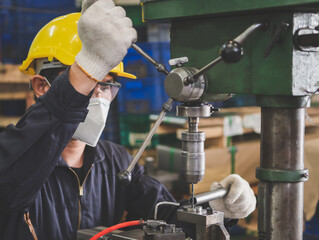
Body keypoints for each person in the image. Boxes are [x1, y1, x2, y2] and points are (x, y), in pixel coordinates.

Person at [0, 1, 256, 240]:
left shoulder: (116, 161)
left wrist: (213, 207)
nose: (100, 97)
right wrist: (86, 66)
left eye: (108, 87)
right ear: (41, 86)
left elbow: (163, 215)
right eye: (91, 82)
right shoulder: (16, 160)